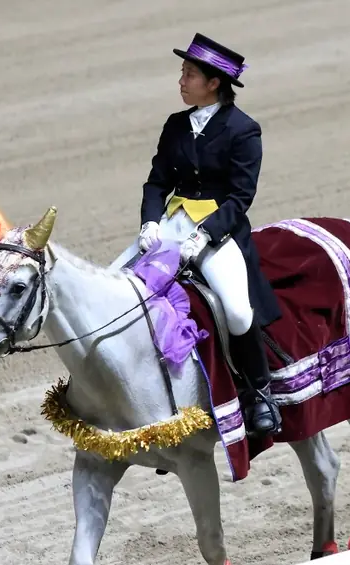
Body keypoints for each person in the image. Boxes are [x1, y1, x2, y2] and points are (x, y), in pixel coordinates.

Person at [110, 32, 283, 437]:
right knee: (115, 280)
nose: (181, 81)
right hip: (172, 226)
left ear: (214, 83)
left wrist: (206, 235)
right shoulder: (175, 126)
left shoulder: (244, 130)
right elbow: (156, 183)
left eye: (189, 74)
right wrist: (150, 223)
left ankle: (260, 394)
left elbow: (240, 197)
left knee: (239, 312)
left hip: (218, 234)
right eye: (182, 73)